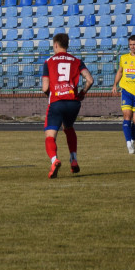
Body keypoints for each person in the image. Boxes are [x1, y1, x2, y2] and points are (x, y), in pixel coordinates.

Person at [41, 33, 93, 179]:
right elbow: (90, 79)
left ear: (56, 45)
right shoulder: (76, 61)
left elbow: (45, 88)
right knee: (68, 127)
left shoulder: (49, 61)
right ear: (67, 45)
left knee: (50, 135)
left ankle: (54, 160)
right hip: (73, 102)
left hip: (57, 102)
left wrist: (52, 94)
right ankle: (73, 159)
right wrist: (82, 93)